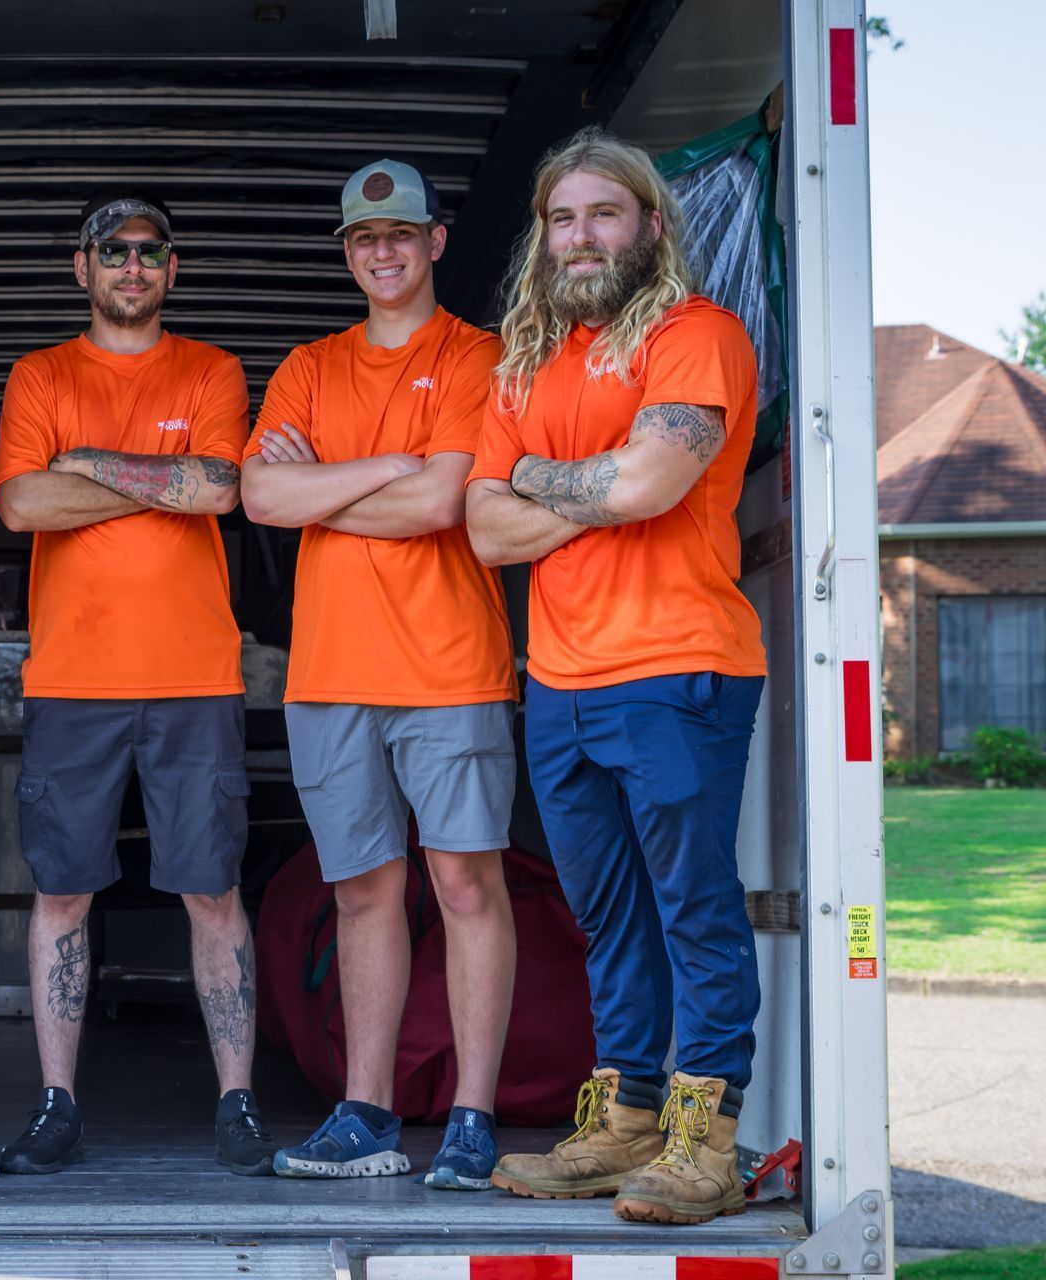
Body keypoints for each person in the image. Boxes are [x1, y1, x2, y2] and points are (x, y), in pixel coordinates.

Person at [464, 126, 766, 1226]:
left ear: (648, 223)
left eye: (603, 212)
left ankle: (708, 1139)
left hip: (680, 665)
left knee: (694, 908)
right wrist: (584, 487)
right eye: (562, 218)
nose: (581, 235)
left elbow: (649, 481)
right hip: (561, 679)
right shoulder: (524, 363)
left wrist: (538, 480)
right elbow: (484, 529)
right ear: (543, 238)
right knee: (610, 915)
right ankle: (626, 1120)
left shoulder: (696, 334)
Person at [239, 160, 518, 1188]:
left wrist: (326, 486)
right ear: (348, 252)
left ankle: (475, 1119)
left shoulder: (482, 356)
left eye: (401, 232)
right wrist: (386, 471)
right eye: (363, 238)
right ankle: (365, 1113)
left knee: (464, 883)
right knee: (363, 893)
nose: (383, 251)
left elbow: (443, 503)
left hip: (450, 665)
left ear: (436, 241)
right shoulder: (310, 365)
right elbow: (261, 496)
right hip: (330, 673)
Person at [0, 191, 274, 1177]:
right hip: (72, 679)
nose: (133, 264)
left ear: (172, 267)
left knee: (211, 887)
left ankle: (238, 1099)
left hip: (194, 678)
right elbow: (23, 498)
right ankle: (56, 1103)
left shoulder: (212, 369)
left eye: (152, 250)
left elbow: (219, 487)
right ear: (83, 266)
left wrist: (88, 468)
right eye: (114, 249)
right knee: (62, 891)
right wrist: (155, 471)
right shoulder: (41, 373)